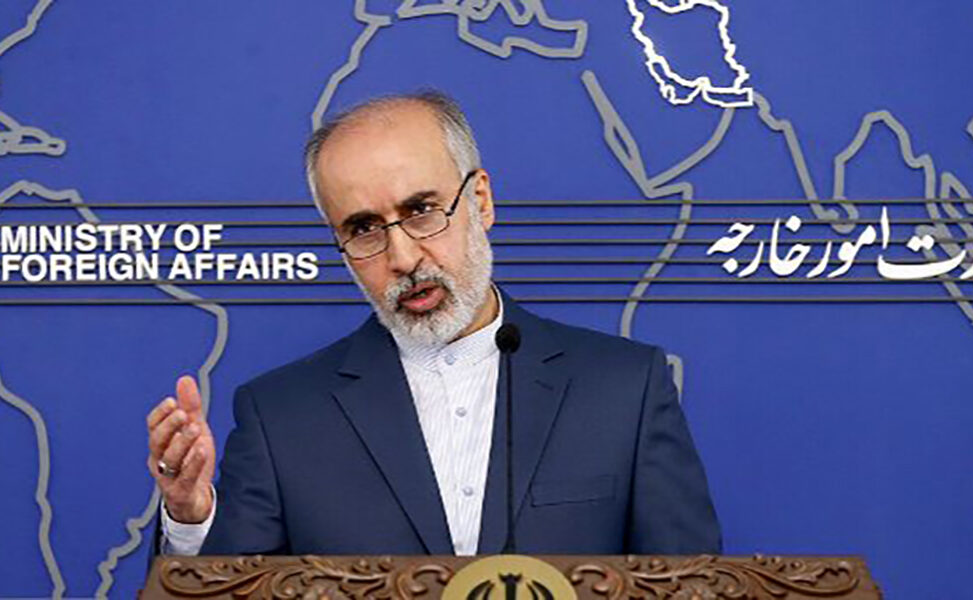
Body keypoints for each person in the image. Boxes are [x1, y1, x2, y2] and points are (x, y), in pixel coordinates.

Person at [145, 91, 721, 556]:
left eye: (421, 211)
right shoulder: (279, 417)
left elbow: (691, 586)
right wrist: (191, 520)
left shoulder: (625, 389)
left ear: (481, 201)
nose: (402, 257)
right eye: (364, 228)